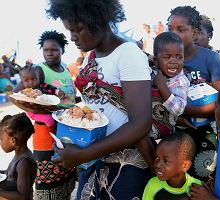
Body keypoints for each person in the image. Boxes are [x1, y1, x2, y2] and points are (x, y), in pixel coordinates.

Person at [47, 0, 152, 199]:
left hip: (125, 163)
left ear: (98, 19)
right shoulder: (91, 57)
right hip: (95, 159)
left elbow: (141, 123)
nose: (72, 37)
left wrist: (83, 154)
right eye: (69, 30)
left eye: (78, 29)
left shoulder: (128, 54)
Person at [13, 30, 76, 200]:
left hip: (66, 125)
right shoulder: (38, 69)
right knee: (47, 171)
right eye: (46, 49)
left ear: (63, 50)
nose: (49, 52)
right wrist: (34, 112)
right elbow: (15, 94)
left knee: (66, 169)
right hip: (45, 128)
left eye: (54, 49)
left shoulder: (65, 69)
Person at [167, 5, 220, 182]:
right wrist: (176, 116)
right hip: (174, 130)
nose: (173, 34)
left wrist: (187, 110)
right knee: (177, 180)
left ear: (194, 33)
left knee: (202, 179)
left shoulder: (210, 58)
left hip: (205, 132)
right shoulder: (165, 59)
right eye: (170, 29)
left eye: (180, 29)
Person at [137, 31, 190, 172]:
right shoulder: (154, 71)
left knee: (161, 163)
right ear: (156, 60)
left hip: (164, 136)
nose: (174, 61)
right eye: (167, 57)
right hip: (147, 128)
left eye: (179, 57)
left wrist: (162, 87)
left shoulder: (180, 81)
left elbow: (179, 109)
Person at [142, 131, 201, 199]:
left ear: (185, 165)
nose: (158, 165)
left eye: (165, 161)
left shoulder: (197, 188)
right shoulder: (153, 185)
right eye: (157, 157)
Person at [0, 113, 36, 200]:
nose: (0, 143)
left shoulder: (24, 163)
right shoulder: (20, 155)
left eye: (1, 139)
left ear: (13, 140)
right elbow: (12, 175)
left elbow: (22, 196)